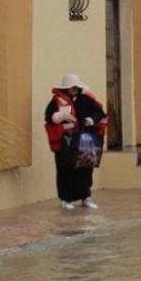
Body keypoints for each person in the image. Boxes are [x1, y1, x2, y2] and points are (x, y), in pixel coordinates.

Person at [44, 73, 107, 210]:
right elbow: (49, 117)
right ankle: (65, 199)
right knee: (65, 169)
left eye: (75, 86)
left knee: (85, 168)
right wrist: (62, 116)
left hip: (84, 139)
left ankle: (86, 197)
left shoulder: (86, 99)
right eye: (71, 87)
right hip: (66, 140)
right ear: (65, 88)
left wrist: (91, 120)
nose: (73, 89)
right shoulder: (56, 101)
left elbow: (100, 112)